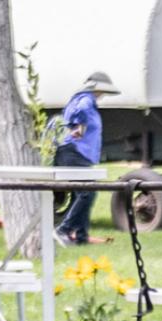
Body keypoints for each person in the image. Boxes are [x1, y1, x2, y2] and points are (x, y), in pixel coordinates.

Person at [54, 71, 118, 246]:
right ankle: (63, 229)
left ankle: (81, 236)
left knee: (82, 194)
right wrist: (79, 124)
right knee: (86, 193)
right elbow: (80, 111)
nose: (103, 95)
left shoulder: (83, 99)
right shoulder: (86, 99)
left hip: (76, 153)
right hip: (74, 152)